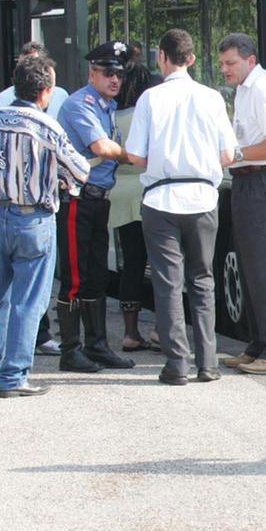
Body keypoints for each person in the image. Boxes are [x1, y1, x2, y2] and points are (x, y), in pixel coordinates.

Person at [124, 29, 238, 386]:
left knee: (168, 283)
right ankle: (208, 363)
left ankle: (177, 365)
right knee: (203, 280)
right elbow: (228, 155)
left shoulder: (149, 99)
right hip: (204, 198)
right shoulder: (212, 98)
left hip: (160, 200)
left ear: (162, 57)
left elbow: (136, 156)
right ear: (190, 59)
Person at [0, 52, 91, 397]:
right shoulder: (46, 126)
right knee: (28, 301)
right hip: (33, 219)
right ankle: (14, 377)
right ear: (45, 92)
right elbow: (80, 170)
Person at [54, 41, 137, 373]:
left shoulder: (106, 106)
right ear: (92, 73)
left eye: (119, 73)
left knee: (96, 275)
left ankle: (97, 345)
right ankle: (70, 349)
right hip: (77, 198)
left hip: (98, 199)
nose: (114, 79)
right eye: (107, 72)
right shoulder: (81, 104)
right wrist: (134, 155)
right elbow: (102, 147)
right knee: (75, 276)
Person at [218, 33, 266, 375]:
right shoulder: (246, 88)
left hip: (265, 179)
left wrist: (235, 154)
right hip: (248, 179)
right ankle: (258, 343)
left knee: (263, 265)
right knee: (248, 264)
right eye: (222, 63)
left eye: (230, 63)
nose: (224, 69)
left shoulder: (263, 88)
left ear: (250, 60)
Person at [111, 57, 161, 351]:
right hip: (148, 191)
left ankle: (130, 332)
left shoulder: (113, 118)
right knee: (159, 263)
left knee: (131, 263)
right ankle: (159, 328)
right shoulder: (146, 117)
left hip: (120, 192)